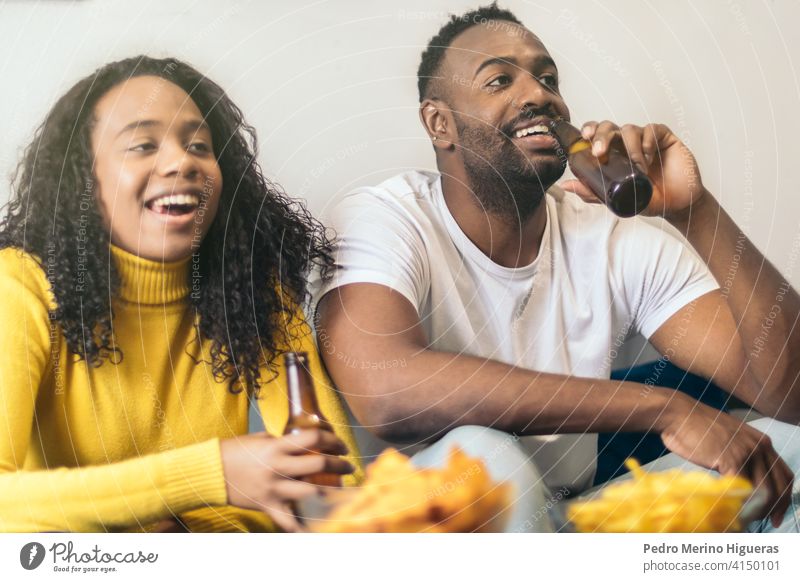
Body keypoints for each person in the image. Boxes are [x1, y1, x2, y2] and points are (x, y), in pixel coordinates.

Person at [314, 3, 800, 532]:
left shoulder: (610, 236)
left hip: (571, 522)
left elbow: (790, 393)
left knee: (789, 449)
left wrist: (695, 212)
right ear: (440, 122)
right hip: (435, 528)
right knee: (485, 457)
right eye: (500, 79)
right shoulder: (384, 217)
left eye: (548, 78)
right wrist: (663, 408)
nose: (540, 95)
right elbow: (384, 390)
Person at [0, 56, 361, 533]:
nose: (182, 161)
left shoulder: (253, 290)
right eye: (143, 145)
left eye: (198, 145)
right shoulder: (18, 288)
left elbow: (338, 485)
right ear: (84, 180)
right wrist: (210, 475)